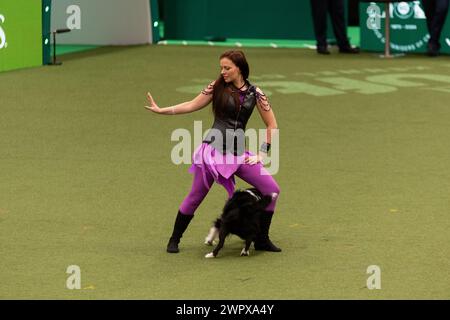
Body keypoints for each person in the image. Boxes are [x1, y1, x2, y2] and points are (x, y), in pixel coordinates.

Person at [144, 50, 282, 254]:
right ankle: (174, 239)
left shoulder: (256, 93)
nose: (223, 72)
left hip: (238, 154)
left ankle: (262, 239)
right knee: (195, 196)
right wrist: (163, 110)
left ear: (239, 69)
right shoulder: (216, 86)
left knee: (272, 190)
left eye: (227, 68)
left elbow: (272, 125)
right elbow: (192, 104)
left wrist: (262, 154)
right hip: (212, 154)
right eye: (221, 68)